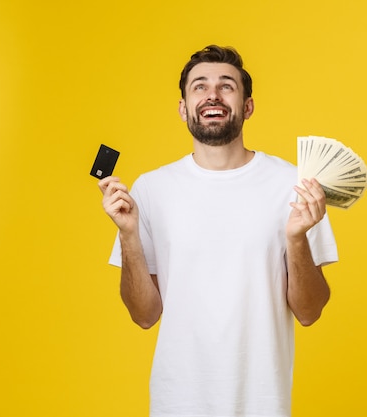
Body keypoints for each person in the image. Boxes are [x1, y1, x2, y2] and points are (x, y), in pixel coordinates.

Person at [98, 45, 338, 417]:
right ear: (183, 108)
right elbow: (144, 315)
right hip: (177, 403)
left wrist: (296, 239)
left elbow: (309, 312)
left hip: (263, 404)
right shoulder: (151, 189)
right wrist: (129, 235)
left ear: (247, 106)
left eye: (227, 86)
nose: (212, 94)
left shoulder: (293, 185)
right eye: (199, 86)